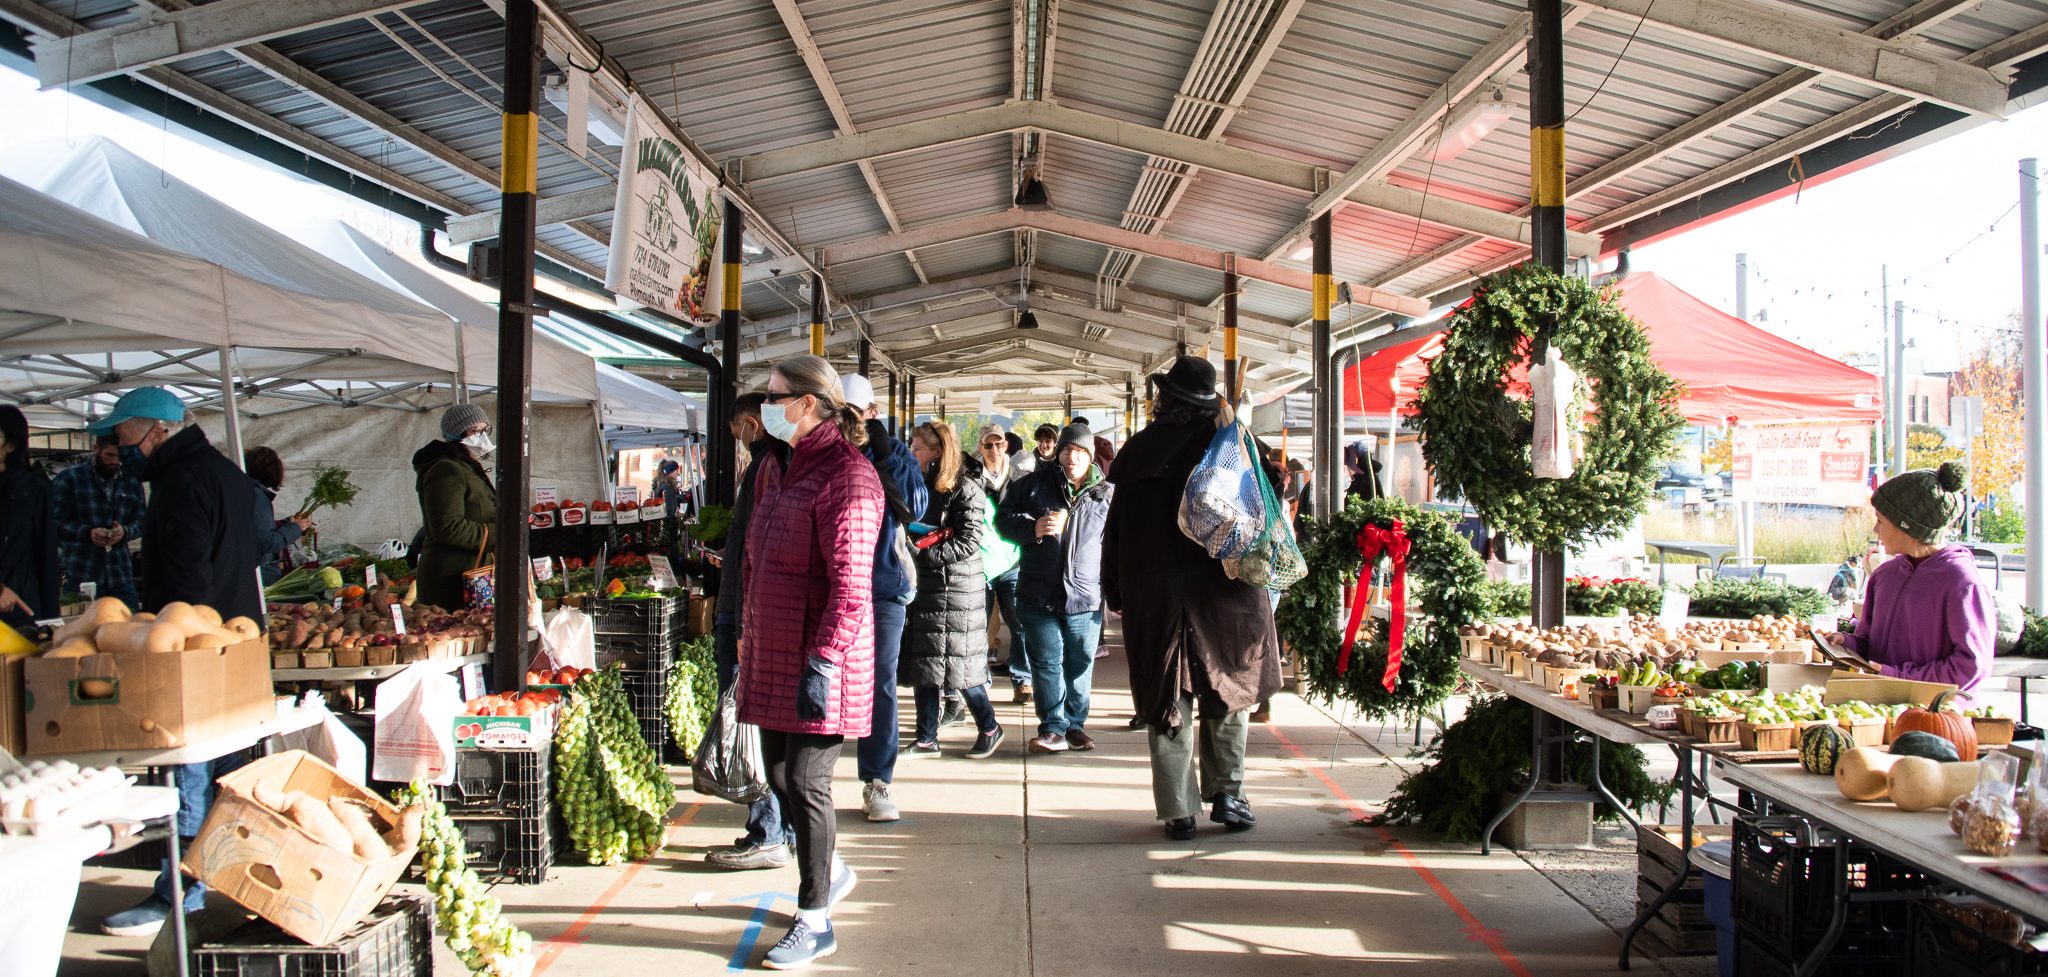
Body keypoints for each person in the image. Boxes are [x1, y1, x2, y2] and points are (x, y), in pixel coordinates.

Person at [92, 387, 259, 937]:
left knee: (189, 771)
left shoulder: (179, 482)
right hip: (237, 644)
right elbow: (254, 550)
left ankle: (178, 896)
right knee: (228, 778)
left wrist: (172, 636)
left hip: (194, 656)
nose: (124, 448)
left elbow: (188, 582)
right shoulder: (228, 473)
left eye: (125, 437)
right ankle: (229, 885)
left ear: (157, 432)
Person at [1104, 357, 1283, 839]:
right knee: (1228, 688)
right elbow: (1271, 498)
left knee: (1168, 694)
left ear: (1165, 400)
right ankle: (1228, 794)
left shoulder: (1140, 450)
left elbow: (1115, 529)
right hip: (1227, 591)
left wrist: (1115, 588)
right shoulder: (1234, 443)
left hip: (1156, 593)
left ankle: (1178, 810)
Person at [739, 355, 878, 969]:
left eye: (775, 396)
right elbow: (758, 557)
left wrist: (823, 661)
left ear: (808, 403)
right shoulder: (782, 467)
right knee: (777, 775)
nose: (766, 407)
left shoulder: (847, 476)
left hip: (823, 659)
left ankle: (815, 920)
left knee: (806, 783)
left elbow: (851, 586)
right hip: (774, 651)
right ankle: (833, 869)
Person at [704, 393, 796, 871]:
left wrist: (742, 619)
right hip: (752, 611)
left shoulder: (768, 467)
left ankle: (769, 830)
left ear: (751, 424)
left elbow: (756, 551)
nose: (737, 439)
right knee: (766, 723)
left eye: (738, 429)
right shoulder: (776, 464)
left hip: (746, 613)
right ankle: (784, 830)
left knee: (751, 721)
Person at [839, 374, 927, 823]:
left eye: (856, 413)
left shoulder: (893, 453)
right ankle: (809, 781)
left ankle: (877, 780)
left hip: (883, 587)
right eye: (842, 413)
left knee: (880, 684)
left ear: (873, 414)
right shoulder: (818, 453)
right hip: (832, 586)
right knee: (825, 684)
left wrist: (886, 453)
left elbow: (914, 506)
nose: (849, 422)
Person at [1821, 462, 1995, 690]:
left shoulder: (1961, 582)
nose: (1875, 530)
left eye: (1881, 521)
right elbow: (1870, 645)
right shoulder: (1883, 576)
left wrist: (1899, 677)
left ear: (1908, 527)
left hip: (1935, 715)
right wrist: (1848, 643)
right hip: (1880, 706)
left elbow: (1971, 666)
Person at [997, 421, 1113, 754]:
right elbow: (1002, 520)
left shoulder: (1105, 494)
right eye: (1067, 450)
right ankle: (1051, 727)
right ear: (1059, 453)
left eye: (1079, 451)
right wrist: (1032, 527)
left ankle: (1074, 725)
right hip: (1038, 592)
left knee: (1079, 663)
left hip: (1085, 595)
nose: (1072, 457)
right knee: (1046, 662)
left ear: (1090, 456)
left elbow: (1118, 543)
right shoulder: (1033, 485)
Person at [902, 421, 1004, 759]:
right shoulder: (925, 483)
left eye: (917, 448)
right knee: (926, 663)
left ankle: (990, 727)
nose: (912, 453)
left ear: (936, 453)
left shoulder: (967, 487)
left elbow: (969, 539)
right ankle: (927, 737)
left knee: (962, 666)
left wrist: (924, 554)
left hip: (957, 588)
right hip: (931, 585)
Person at [412, 404, 498, 610]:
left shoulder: (466, 467)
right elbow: (447, 527)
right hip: (451, 581)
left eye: (485, 430)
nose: (482, 437)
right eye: (476, 431)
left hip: (473, 574)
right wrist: (500, 533)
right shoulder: (445, 470)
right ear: (457, 434)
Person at [52, 433, 145, 608]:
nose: (114, 461)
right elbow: (54, 522)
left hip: (120, 574)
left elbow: (142, 520)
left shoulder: (131, 480)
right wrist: (87, 533)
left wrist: (125, 531)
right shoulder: (69, 479)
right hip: (82, 571)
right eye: (109, 455)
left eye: (119, 456)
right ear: (96, 449)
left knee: (130, 625)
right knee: (80, 629)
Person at [974, 424, 1030, 702]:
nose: (994, 450)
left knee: (1019, 622)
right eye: (988, 445)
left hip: (1013, 562)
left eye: (998, 444)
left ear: (1006, 445)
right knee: (977, 625)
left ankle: (1022, 679)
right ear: (980, 447)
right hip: (979, 564)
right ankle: (978, 679)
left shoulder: (1022, 477)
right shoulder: (970, 477)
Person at [0, 406, 55, 634]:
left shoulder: (33, 491)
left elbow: (47, 554)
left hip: (21, 606)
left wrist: (51, 620)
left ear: (11, 446)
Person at [244, 446, 312, 585]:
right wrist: (295, 528)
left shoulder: (244, 490)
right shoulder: (257, 497)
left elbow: (253, 528)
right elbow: (267, 542)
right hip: (261, 574)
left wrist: (286, 523)